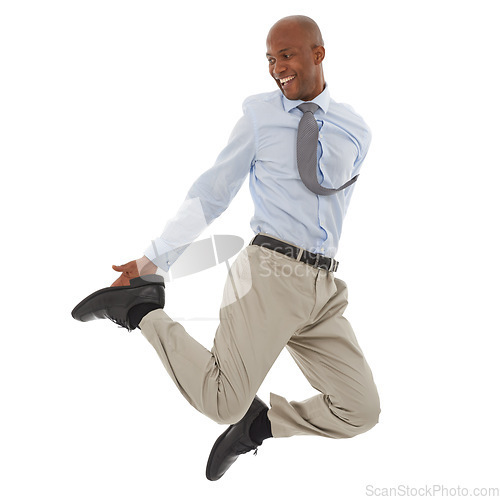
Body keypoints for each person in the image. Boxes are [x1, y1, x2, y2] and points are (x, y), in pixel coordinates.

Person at [72, 15, 381, 481]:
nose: (278, 67)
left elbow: (331, 202)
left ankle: (259, 426)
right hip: (269, 273)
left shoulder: (356, 128)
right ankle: (138, 310)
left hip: (323, 286)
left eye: (287, 55)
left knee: (360, 410)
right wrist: (154, 259)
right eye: (271, 59)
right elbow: (213, 192)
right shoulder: (260, 115)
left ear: (318, 53)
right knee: (222, 401)